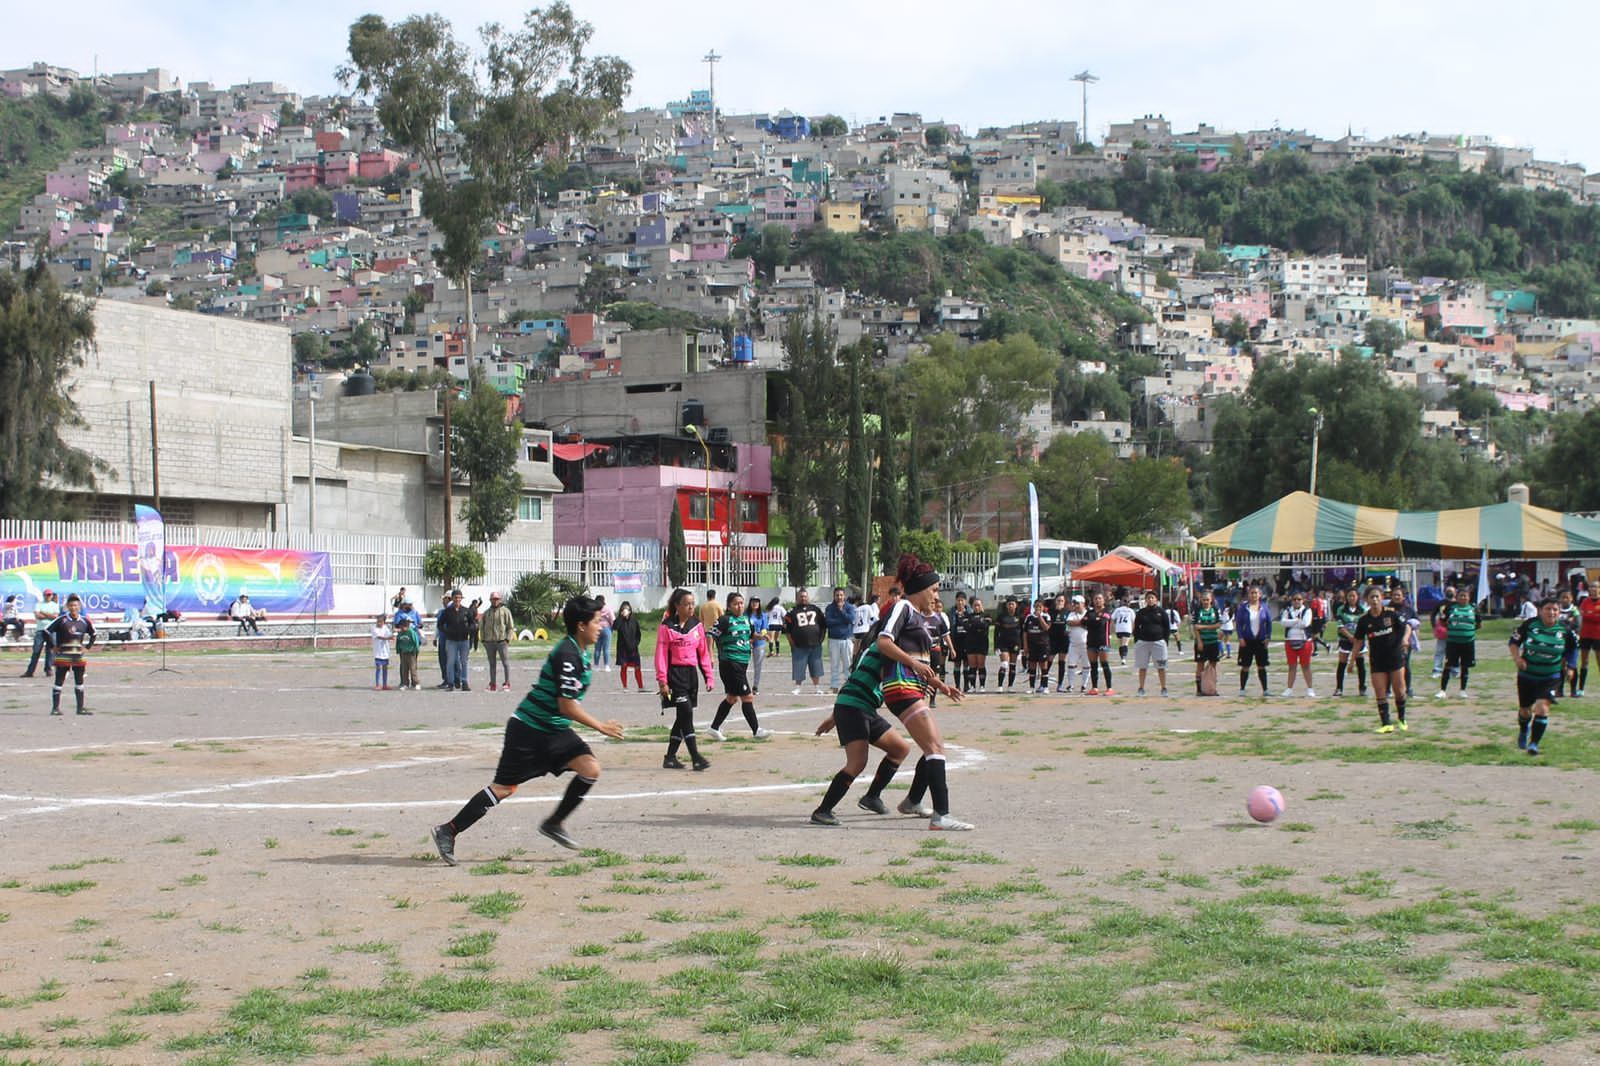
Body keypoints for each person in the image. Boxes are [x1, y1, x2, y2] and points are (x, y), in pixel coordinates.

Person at [431, 595, 625, 864]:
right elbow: (567, 706)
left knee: (590, 768)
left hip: (554, 729)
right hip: (529, 729)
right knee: (504, 788)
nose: (601, 626)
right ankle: (448, 831)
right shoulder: (568, 655)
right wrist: (600, 726)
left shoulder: (580, 651)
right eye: (596, 621)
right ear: (581, 625)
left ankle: (554, 823)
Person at [811, 632, 960, 826]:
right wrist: (933, 684)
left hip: (861, 707)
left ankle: (872, 797)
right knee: (857, 763)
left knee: (899, 748)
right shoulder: (887, 649)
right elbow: (906, 672)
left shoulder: (882, 649)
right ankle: (822, 811)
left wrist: (834, 716)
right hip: (854, 707)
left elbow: (860, 679)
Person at [876, 554, 974, 831]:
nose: (936, 594)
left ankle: (913, 801)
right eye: (933, 589)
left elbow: (921, 663)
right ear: (919, 588)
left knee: (932, 747)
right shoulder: (903, 608)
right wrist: (913, 663)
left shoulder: (924, 617)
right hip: (900, 685)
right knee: (935, 748)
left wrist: (941, 685)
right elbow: (884, 642)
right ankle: (941, 816)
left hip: (913, 686)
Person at [656, 588, 715, 771]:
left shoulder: (696, 626)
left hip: (691, 676)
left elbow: (703, 654)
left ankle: (670, 758)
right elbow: (661, 656)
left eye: (692, 604)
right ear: (677, 606)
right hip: (675, 676)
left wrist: (708, 676)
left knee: (683, 716)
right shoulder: (666, 627)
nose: (691, 607)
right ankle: (695, 757)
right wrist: (662, 681)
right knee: (686, 714)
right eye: (687, 604)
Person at [1509, 598, 1575, 756]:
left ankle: (1534, 744)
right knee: (1525, 710)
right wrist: (1518, 659)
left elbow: (1573, 649)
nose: (1551, 612)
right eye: (1548, 609)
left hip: (1550, 676)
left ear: (1559, 612)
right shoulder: (1530, 625)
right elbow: (1513, 642)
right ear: (1540, 610)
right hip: (1527, 675)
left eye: (1555, 610)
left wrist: (1571, 666)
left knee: (1542, 708)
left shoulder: (1565, 630)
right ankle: (1524, 728)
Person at [707, 591, 769, 740]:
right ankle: (756, 730)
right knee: (747, 697)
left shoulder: (746, 620)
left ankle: (714, 728)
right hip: (730, 663)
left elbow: (750, 634)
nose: (739, 606)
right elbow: (710, 635)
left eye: (741, 603)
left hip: (741, 663)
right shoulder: (724, 620)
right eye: (736, 603)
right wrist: (710, 655)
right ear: (729, 606)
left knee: (732, 697)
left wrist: (760, 636)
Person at [1353, 587, 1409, 734]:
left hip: (1395, 657)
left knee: (1399, 691)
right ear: (1367, 600)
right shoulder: (1365, 620)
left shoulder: (1391, 614)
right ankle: (1386, 723)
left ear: (1382, 597)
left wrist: (1404, 639)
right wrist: (1352, 660)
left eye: (1377, 597)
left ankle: (1402, 719)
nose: (1375, 600)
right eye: (1372, 597)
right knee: (1380, 691)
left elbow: (1406, 627)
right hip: (1377, 660)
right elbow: (1358, 640)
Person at [45, 593, 96, 716]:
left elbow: (93, 634)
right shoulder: (62, 620)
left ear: (79, 607)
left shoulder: (84, 621)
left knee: (79, 681)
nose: (74, 608)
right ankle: (55, 708)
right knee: (59, 681)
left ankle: (80, 708)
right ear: (68, 606)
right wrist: (53, 646)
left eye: (76, 605)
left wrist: (87, 647)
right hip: (63, 655)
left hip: (78, 656)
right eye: (71, 605)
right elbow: (46, 631)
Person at [1436, 585, 1481, 698]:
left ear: (1469, 597)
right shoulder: (1450, 608)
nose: (1463, 598)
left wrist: (1468, 631)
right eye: (1461, 596)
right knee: (1449, 664)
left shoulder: (1474, 609)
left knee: (1465, 666)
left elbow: (1479, 624)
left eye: (1465, 596)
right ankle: (1442, 690)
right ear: (1457, 597)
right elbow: (1442, 621)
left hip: (1468, 642)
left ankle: (1462, 690)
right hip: (1452, 642)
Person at [1234, 585, 1272, 696]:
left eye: (1256, 593)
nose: (1254, 595)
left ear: (1260, 594)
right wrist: (1240, 637)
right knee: (1245, 665)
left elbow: (1269, 623)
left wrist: (1268, 637)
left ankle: (1265, 690)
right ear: (1248, 594)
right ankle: (1242, 689)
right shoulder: (1243, 607)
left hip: (1260, 641)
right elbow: (1239, 624)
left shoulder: (1264, 607)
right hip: (1247, 640)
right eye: (1252, 593)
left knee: (1261, 665)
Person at [1131, 589, 1171, 697]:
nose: (1150, 599)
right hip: (1143, 642)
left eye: (1152, 598)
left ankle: (1163, 688)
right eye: (1148, 598)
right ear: (1145, 600)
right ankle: (1141, 688)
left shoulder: (1161, 612)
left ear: (1156, 600)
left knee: (1161, 667)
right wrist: (1137, 639)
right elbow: (1136, 627)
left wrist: (1165, 640)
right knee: (1142, 666)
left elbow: (1167, 627)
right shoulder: (1141, 612)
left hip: (1158, 642)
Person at [785, 589, 825, 696]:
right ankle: (798, 687)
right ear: (797, 598)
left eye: (805, 596)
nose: (803, 598)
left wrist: (821, 639)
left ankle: (817, 687)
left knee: (816, 666)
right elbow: (787, 630)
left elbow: (823, 625)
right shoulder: (792, 611)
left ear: (808, 597)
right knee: (799, 666)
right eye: (801, 596)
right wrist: (791, 643)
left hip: (815, 643)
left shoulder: (815, 609)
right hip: (799, 644)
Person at [1279, 591, 1316, 697]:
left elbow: (1305, 623)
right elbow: (1282, 622)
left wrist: (1291, 622)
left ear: (1303, 600)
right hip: (1290, 641)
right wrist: (1296, 621)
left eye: (1299, 599)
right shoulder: (1287, 610)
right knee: (1292, 666)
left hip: (1304, 641)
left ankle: (1310, 689)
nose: (1296, 601)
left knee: (1306, 666)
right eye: (1294, 599)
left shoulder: (1307, 610)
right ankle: (1289, 689)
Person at [1333, 587, 1367, 697]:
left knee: (1360, 664)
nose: (1352, 598)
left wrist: (1357, 637)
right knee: (1342, 664)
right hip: (1345, 640)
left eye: (1354, 596)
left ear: (1357, 597)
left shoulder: (1363, 610)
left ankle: (1362, 687)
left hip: (1359, 640)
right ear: (1346, 597)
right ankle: (1339, 688)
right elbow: (1340, 626)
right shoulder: (1341, 609)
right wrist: (1350, 636)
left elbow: (1364, 626)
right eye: (1349, 596)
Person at [479, 591, 515, 692]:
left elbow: (510, 626)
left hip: (502, 641)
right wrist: (483, 639)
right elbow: (482, 626)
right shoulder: (487, 613)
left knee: (505, 663)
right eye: (493, 599)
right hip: (489, 642)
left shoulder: (505, 611)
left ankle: (507, 683)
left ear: (500, 600)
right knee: (492, 664)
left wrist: (508, 639)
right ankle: (493, 684)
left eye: (496, 599)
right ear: (490, 600)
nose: (495, 601)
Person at [438, 590, 474, 691]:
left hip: (463, 640)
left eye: (459, 597)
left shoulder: (466, 611)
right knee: (450, 662)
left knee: (464, 662)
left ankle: (465, 682)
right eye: (455, 597)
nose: (457, 599)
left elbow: (473, 623)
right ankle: (450, 683)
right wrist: (447, 631)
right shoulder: (447, 611)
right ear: (452, 598)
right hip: (451, 640)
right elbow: (440, 624)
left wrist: (469, 630)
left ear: (462, 598)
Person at [1389, 586, 1421, 700]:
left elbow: (1416, 622)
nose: (1396, 597)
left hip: (1404, 641)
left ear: (1403, 597)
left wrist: (1414, 637)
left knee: (1405, 664)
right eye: (1394, 595)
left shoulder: (1408, 609)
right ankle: (1388, 689)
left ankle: (1408, 688)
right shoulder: (1387, 609)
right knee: (1389, 665)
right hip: (1390, 641)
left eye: (1398, 595)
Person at [20, 588, 60, 677]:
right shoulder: (39, 604)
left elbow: (55, 617)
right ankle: (30, 671)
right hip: (40, 630)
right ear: (44, 595)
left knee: (50, 651)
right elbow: (38, 616)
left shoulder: (55, 605)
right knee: (36, 651)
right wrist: (48, 615)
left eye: (50, 595)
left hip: (51, 630)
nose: (49, 596)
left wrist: (44, 614)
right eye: (47, 595)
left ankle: (48, 670)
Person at [823, 587, 856, 690]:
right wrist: (842, 620)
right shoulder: (829, 608)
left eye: (841, 595)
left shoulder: (850, 607)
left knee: (848, 664)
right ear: (834, 596)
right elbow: (828, 622)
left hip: (847, 639)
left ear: (844, 596)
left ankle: (849, 685)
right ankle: (834, 686)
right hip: (833, 640)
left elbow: (851, 619)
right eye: (837, 595)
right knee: (834, 664)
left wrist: (842, 611)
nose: (839, 597)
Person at [1082, 592, 1115, 695]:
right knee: (1093, 665)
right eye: (1096, 598)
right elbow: (1083, 622)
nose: (1097, 600)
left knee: (1105, 664)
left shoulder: (1107, 611)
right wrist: (1093, 620)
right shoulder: (1089, 612)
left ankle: (1109, 688)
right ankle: (1094, 687)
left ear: (1103, 600)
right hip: (1091, 641)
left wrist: (1092, 621)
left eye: (1100, 598)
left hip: (1103, 641)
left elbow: (1102, 622)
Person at [1191, 589, 1222, 696]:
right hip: (1202, 642)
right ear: (1201, 600)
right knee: (1200, 665)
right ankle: (1199, 689)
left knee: (1213, 665)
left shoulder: (1215, 610)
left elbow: (1218, 624)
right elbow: (1195, 627)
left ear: (1211, 600)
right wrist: (1199, 641)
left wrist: (1204, 626)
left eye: (1207, 600)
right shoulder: (1197, 610)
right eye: (1204, 600)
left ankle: (1211, 688)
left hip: (1213, 641)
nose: (1205, 602)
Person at [1023, 597, 1052, 694]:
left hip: (1043, 645)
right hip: (1032, 645)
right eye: (1036, 606)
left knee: (1043, 665)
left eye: (1040, 606)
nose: (1038, 608)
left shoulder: (1046, 616)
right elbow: (1025, 632)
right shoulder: (1029, 617)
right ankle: (1031, 687)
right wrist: (1025, 646)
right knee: (1032, 666)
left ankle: (1045, 686)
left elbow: (1046, 628)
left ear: (1043, 607)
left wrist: (1040, 617)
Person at [964, 597, 993, 692]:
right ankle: (972, 686)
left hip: (982, 642)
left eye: (978, 605)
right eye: (975, 605)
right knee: (972, 665)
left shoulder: (987, 615)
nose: (977, 607)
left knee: (981, 664)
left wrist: (975, 625)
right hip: (971, 643)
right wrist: (977, 625)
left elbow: (985, 625)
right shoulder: (968, 616)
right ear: (972, 606)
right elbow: (967, 627)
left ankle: (982, 686)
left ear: (981, 606)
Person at [993, 597, 1023, 690]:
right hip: (1003, 643)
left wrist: (1021, 648)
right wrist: (996, 646)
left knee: (1012, 665)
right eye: (1009, 604)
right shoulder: (1001, 616)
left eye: (1012, 604)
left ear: (1016, 605)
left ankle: (1010, 686)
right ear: (1006, 605)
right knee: (1004, 664)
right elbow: (996, 632)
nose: (1011, 606)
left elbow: (1022, 633)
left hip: (1015, 644)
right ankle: (1000, 686)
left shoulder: (1019, 617)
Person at [613, 602, 643, 690]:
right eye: (623, 609)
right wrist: (621, 617)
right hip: (623, 649)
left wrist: (636, 643)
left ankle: (640, 686)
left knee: (637, 667)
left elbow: (638, 634)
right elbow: (615, 627)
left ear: (630, 611)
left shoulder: (634, 620)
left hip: (633, 649)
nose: (625, 611)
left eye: (627, 609)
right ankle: (625, 686)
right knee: (624, 666)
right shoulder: (619, 620)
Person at [1064, 594, 1091, 694]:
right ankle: (1071, 685)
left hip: (1085, 644)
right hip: (1074, 644)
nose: (1075, 605)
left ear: (1083, 604)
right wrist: (1082, 622)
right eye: (1074, 603)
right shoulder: (1071, 614)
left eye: (1077, 603)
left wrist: (1079, 623)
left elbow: (1089, 625)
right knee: (1071, 664)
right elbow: (1069, 623)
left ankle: (1084, 685)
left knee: (1086, 665)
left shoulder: (1088, 613)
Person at [1557, 589, 1581, 697]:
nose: (1565, 600)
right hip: (1560, 643)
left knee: (1572, 667)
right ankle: (1560, 690)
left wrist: (1566, 625)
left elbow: (1577, 625)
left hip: (1572, 643)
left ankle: (1573, 690)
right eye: (1563, 597)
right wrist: (1566, 622)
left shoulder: (1575, 610)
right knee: (1560, 667)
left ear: (1571, 599)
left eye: (1567, 597)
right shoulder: (1556, 610)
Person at [947, 592, 972, 691]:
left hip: (967, 641)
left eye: (962, 600)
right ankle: (957, 685)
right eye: (958, 600)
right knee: (957, 664)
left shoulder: (969, 612)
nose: (960, 602)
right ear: (956, 601)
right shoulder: (952, 613)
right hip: (956, 641)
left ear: (965, 601)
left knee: (966, 664)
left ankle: (966, 685)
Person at [1048, 593, 1071, 692]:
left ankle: (1060, 684)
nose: (1060, 602)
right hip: (1052, 639)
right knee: (1049, 660)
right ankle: (1043, 683)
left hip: (1064, 640)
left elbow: (1069, 625)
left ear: (1065, 602)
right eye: (1058, 600)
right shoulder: (1050, 612)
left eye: (1062, 601)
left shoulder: (1067, 612)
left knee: (1062, 662)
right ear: (1055, 601)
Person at [1430, 585, 1455, 677]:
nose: (1450, 592)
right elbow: (1433, 614)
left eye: (1451, 591)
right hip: (1442, 630)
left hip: (1454, 630)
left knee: (1453, 652)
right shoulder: (1441, 603)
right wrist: (1434, 625)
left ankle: (1454, 670)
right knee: (1440, 651)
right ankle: (1437, 670)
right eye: (1448, 591)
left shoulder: (1457, 604)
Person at [1579, 591, 1600, 697]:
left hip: (1598, 634)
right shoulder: (1585, 601)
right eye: (1592, 587)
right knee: (1584, 661)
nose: (1594, 590)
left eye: (1596, 587)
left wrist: (1590, 615)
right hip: (1585, 634)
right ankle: (1581, 689)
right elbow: (1583, 614)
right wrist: (1592, 615)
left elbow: (1596, 618)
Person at [747, 597, 769, 693]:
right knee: (743, 664)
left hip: (759, 641)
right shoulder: (745, 615)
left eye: (757, 602)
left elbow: (764, 629)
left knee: (758, 665)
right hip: (746, 641)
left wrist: (760, 635)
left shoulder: (763, 615)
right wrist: (749, 639)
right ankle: (743, 685)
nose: (755, 604)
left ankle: (755, 686)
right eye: (753, 602)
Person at [394, 616, 421, 690]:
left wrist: (416, 650)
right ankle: (405, 683)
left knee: (413, 669)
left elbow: (416, 642)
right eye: (400, 627)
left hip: (411, 653)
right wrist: (398, 650)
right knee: (404, 669)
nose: (402, 628)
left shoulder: (411, 632)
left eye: (403, 627)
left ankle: (416, 683)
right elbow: (398, 642)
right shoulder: (400, 634)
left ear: (407, 626)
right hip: (403, 653)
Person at [851, 594, 880, 663]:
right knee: (864, 647)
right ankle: (862, 662)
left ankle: (854, 662)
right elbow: (872, 618)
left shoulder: (854, 609)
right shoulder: (867, 607)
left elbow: (853, 621)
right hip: (864, 630)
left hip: (856, 631)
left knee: (855, 648)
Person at [371, 614, 394, 690]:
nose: (379, 623)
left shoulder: (385, 628)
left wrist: (393, 633)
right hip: (378, 652)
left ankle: (385, 684)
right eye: (378, 622)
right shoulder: (374, 628)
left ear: (384, 622)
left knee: (385, 668)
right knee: (378, 668)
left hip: (385, 652)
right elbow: (379, 637)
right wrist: (388, 638)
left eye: (381, 622)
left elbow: (390, 635)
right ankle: (378, 684)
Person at [1111, 596, 1136, 665]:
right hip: (1127, 628)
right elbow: (1133, 621)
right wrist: (1133, 630)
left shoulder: (1118, 610)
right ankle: (1123, 658)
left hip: (1119, 629)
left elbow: (1112, 618)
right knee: (1125, 644)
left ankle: (1122, 657)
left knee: (1121, 644)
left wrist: (1113, 628)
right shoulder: (1131, 611)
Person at [593, 595, 613, 672]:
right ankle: (606, 666)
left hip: (597, 629)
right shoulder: (607, 609)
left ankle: (596, 666)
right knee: (606, 648)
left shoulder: (594, 610)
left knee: (597, 648)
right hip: (606, 628)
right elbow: (612, 619)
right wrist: (611, 628)